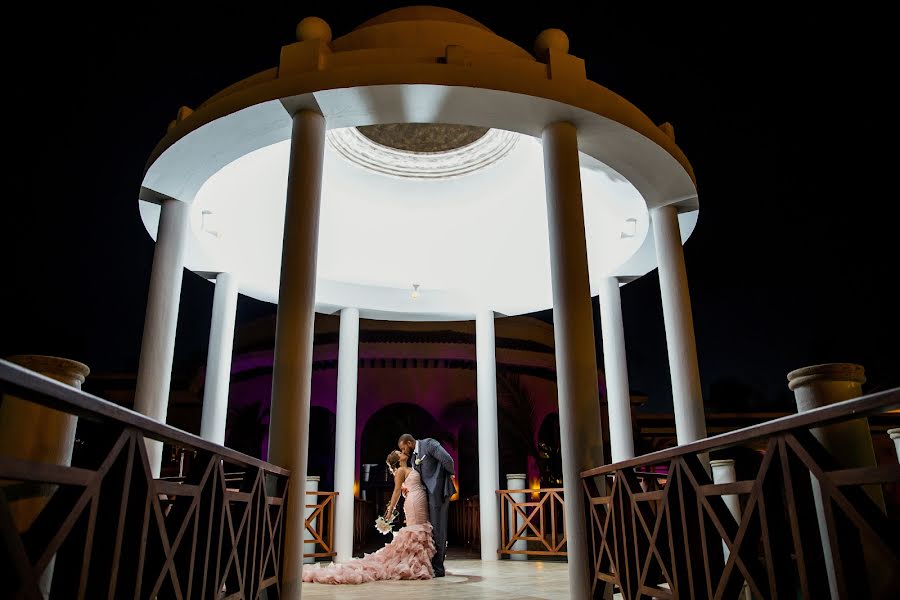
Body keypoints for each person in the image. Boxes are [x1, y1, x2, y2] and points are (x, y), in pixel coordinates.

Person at [302, 449, 435, 584]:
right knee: (416, 531)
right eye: (399, 453)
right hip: (413, 503)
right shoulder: (401, 471)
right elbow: (396, 492)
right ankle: (413, 564)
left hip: (418, 499)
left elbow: (405, 487)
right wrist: (390, 511)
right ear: (398, 460)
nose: (402, 453)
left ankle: (417, 562)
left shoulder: (408, 468)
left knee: (419, 529)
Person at [398, 433, 454, 577]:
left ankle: (439, 568)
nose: (403, 451)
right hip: (427, 495)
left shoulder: (428, 444)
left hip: (440, 492)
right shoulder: (413, 457)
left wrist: (450, 475)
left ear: (409, 443)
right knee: (432, 529)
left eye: (403, 448)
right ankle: (432, 564)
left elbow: (447, 459)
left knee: (439, 528)